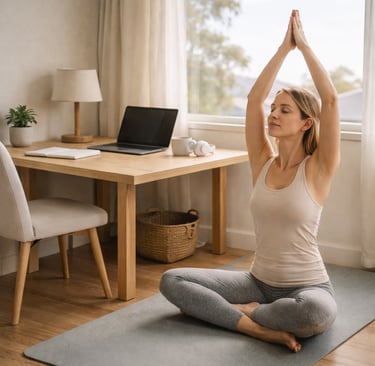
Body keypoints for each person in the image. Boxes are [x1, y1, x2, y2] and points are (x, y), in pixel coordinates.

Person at [159, 10, 340, 353]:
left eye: (284, 110)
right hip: (255, 282)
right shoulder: (263, 162)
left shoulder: (318, 168)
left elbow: (330, 101)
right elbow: (254, 100)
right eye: (274, 108)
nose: (273, 113)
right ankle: (256, 326)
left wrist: (303, 46)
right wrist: (282, 50)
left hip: (307, 286)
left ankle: (243, 315)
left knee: (316, 314)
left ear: (306, 123)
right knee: (173, 280)